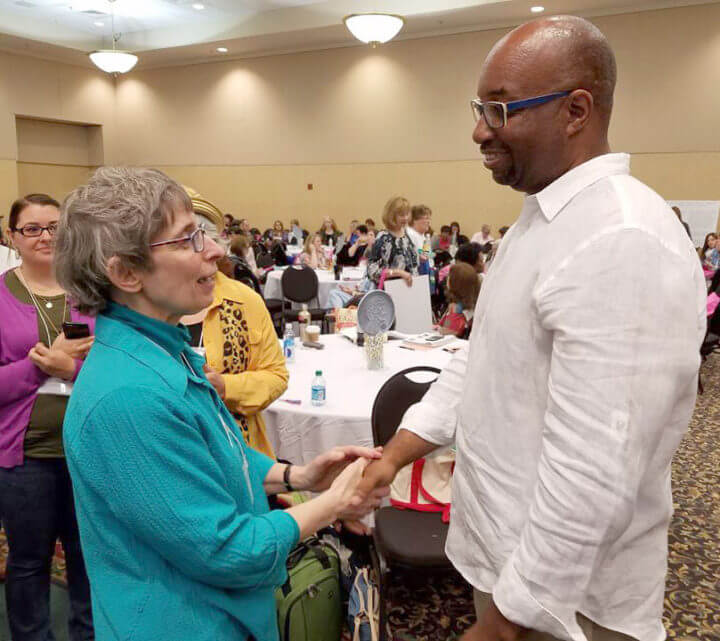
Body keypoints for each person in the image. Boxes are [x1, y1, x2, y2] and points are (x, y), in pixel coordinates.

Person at [356, 16, 706, 641]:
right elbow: (479, 361)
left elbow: (596, 472)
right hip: (506, 566)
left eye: (500, 110)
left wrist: (502, 624)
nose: (478, 129)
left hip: (569, 606)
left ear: (575, 110)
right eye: (479, 108)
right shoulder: (541, 220)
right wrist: (394, 457)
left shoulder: (622, 237)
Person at [54, 167, 387, 641]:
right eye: (188, 239)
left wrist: (296, 476)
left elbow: (216, 450)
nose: (214, 249)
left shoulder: (162, 350)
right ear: (126, 273)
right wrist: (333, 502)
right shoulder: (129, 397)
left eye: (204, 233)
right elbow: (229, 548)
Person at [0, 193, 95, 641]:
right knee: (27, 561)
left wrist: (68, 368)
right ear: (12, 237)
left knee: (89, 556)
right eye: (32, 229)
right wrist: (41, 364)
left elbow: (115, 369)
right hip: (24, 456)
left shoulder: (93, 296)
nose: (46, 237)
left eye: (55, 227)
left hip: (91, 451)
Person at [181, 189, 287, 458]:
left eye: (208, 239)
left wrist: (227, 387)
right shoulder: (145, 308)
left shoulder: (243, 300)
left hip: (240, 452)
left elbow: (276, 375)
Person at [366, 197, 418, 288]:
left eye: (407, 214)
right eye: (401, 215)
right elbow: (372, 272)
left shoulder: (407, 235)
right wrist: (398, 272)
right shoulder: (383, 237)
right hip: (388, 291)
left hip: (408, 290)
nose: (406, 218)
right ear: (392, 216)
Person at [435, 262, 479, 337]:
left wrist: (439, 329)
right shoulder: (472, 305)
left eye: (449, 276)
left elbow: (448, 330)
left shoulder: (456, 308)